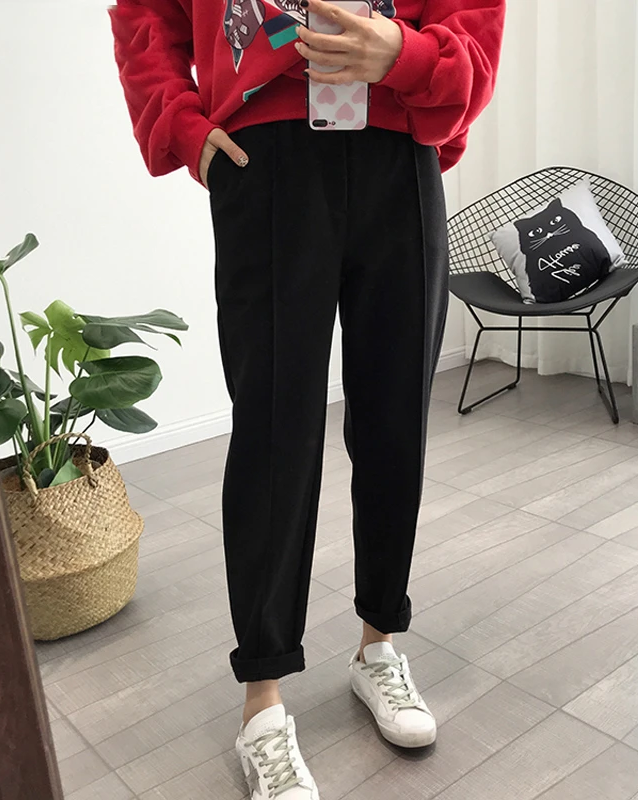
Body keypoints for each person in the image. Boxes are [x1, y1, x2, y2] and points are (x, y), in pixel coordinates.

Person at [109, 0, 505, 796]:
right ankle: (262, 700)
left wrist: (408, 57)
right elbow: (144, 15)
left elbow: (475, 18)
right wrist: (182, 126)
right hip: (265, 153)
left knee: (395, 421)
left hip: (399, 144)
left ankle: (378, 645)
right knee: (273, 432)